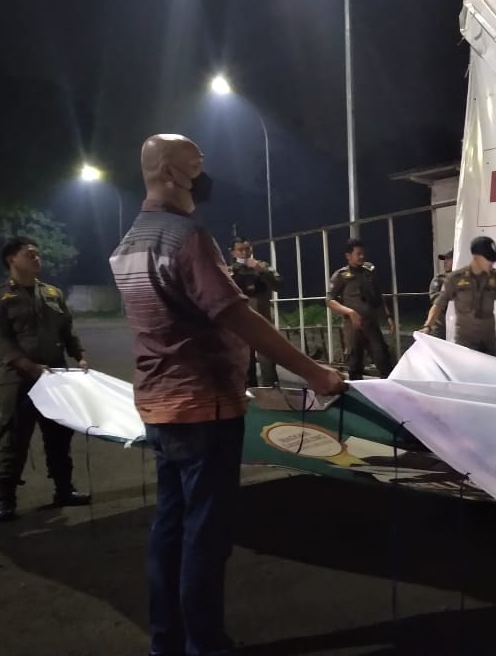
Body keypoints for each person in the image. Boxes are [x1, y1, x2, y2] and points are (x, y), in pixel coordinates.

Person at [110, 133, 346, 656]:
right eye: (195, 165)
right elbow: (236, 315)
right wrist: (314, 373)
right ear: (170, 173)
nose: (204, 173)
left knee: (170, 528)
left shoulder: (127, 243)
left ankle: (167, 641)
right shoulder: (186, 236)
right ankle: (206, 644)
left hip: (158, 404)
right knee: (205, 535)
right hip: (204, 404)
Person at [0, 236, 92, 522]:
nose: (37, 258)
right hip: (18, 381)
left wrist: (79, 356)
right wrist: (31, 368)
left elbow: (68, 332)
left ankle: (64, 490)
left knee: (59, 435)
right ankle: (6, 499)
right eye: (30, 254)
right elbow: (2, 343)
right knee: (14, 438)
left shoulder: (52, 294)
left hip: (54, 377)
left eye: (37, 254)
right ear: (12, 259)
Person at [420, 235, 496, 361]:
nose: (492, 262)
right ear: (476, 257)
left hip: (488, 343)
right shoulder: (455, 279)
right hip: (465, 343)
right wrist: (427, 326)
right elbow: (438, 304)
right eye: (488, 258)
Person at [326, 238, 395, 380]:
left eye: (363, 253)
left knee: (383, 358)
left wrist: (388, 317)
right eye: (358, 254)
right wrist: (349, 312)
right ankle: (356, 390)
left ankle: (388, 390)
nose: (362, 256)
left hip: (371, 324)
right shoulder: (341, 275)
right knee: (354, 363)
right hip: (353, 326)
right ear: (348, 256)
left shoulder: (369, 273)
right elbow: (329, 300)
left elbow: (379, 296)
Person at [227, 236, 283, 388]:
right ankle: (249, 394)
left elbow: (279, 285)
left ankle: (270, 392)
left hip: (263, 322)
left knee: (268, 362)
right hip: (241, 326)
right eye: (240, 250)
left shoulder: (262, 266)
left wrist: (261, 271)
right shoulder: (229, 271)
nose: (245, 253)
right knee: (246, 365)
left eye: (247, 249)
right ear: (233, 252)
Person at [426, 248, 453, 339]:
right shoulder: (440, 279)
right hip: (441, 328)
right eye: (444, 259)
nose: (445, 262)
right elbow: (438, 301)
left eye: (448, 259)